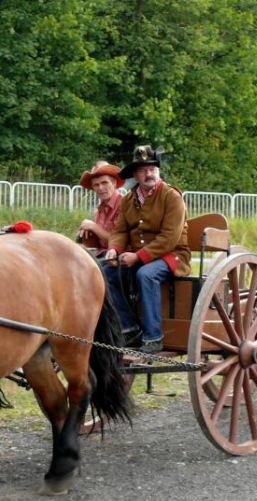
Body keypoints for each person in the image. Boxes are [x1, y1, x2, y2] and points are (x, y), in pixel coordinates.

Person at [103, 145, 190, 353]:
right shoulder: (128, 200)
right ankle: (129, 327)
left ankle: (153, 337)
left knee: (146, 274)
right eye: (143, 170)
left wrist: (138, 257)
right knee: (105, 271)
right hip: (141, 256)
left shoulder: (172, 196)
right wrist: (114, 249)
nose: (149, 173)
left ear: (158, 171)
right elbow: (120, 230)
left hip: (173, 255)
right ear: (135, 174)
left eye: (152, 169)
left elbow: (169, 238)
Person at [76, 161, 124, 258]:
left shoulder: (124, 205)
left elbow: (120, 241)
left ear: (114, 183)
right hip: (102, 255)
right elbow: (98, 244)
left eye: (104, 182)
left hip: (119, 258)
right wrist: (87, 234)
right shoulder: (99, 210)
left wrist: (93, 226)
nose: (100, 188)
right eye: (96, 185)